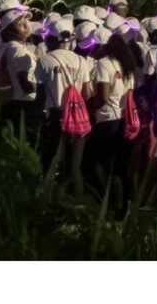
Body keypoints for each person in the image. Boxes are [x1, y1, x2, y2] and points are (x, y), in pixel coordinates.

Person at [36, 18, 93, 196]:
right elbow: (88, 92)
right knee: (75, 167)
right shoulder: (81, 60)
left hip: (55, 118)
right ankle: (78, 207)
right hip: (78, 119)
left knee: (55, 165)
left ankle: (53, 205)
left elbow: (40, 93)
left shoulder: (45, 60)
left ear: (51, 39)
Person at [87, 33, 138, 209]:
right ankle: (126, 205)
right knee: (120, 166)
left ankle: (107, 204)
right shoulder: (126, 65)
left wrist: (89, 111)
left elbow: (103, 96)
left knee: (99, 164)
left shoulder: (104, 64)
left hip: (106, 118)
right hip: (123, 119)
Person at [0, 5, 38, 139]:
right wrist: (41, 92)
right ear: (9, 30)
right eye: (20, 24)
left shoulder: (10, 47)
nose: (26, 26)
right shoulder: (15, 49)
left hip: (17, 103)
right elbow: (24, 80)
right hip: (23, 105)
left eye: (25, 22)